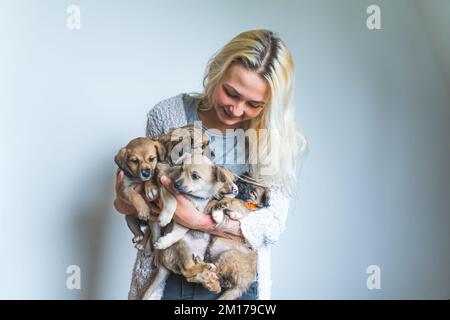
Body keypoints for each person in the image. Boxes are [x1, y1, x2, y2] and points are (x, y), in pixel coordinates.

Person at [114, 29, 307, 300]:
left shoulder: (274, 139)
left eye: (254, 104)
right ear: (217, 70)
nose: (237, 110)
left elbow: (273, 224)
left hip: (235, 281)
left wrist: (200, 221)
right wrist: (128, 201)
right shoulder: (169, 115)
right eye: (231, 93)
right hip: (172, 276)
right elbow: (138, 197)